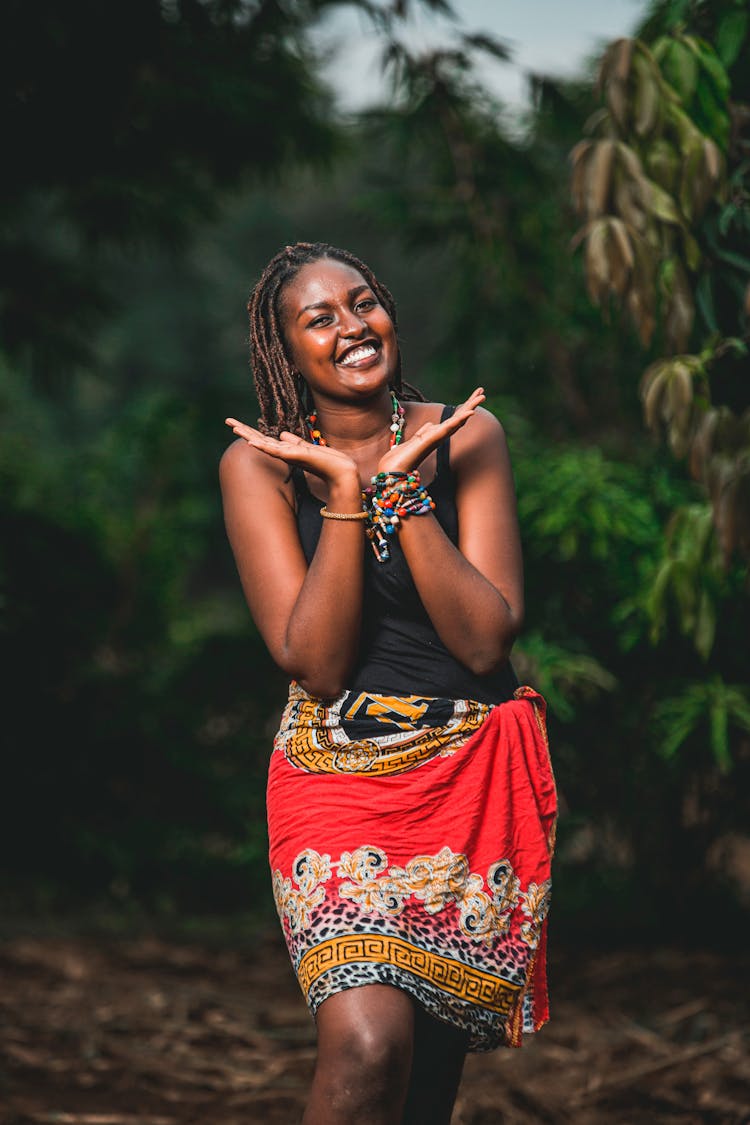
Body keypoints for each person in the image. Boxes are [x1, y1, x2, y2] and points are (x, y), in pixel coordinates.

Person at [220, 241, 556, 1124]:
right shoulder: (261, 466)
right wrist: (342, 492)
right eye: (318, 318)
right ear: (286, 352)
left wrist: (402, 494)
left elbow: (484, 640)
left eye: (362, 303)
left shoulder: (466, 435)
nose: (352, 327)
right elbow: (317, 662)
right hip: (334, 779)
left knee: (427, 1081)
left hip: (470, 781)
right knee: (369, 1043)